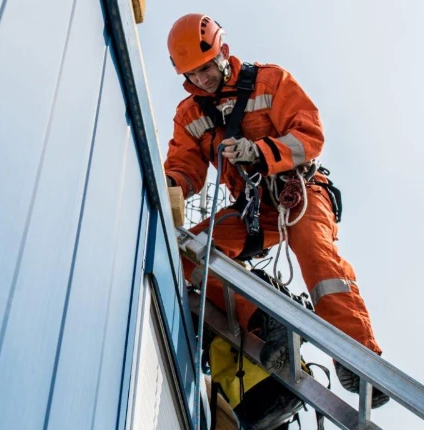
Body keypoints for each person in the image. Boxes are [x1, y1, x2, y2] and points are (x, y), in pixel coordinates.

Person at [163, 13, 388, 407]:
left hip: (297, 192)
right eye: (192, 74)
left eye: (205, 69)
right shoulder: (190, 116)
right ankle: (264, 321)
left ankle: (358, 356)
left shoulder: (270, 82)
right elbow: (184, 168)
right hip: (253, 209)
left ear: (224, 53)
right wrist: (168, 186)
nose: (200, 80)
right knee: (185, 253)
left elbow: (309, 136)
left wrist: (261, 152)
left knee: (317, 258)